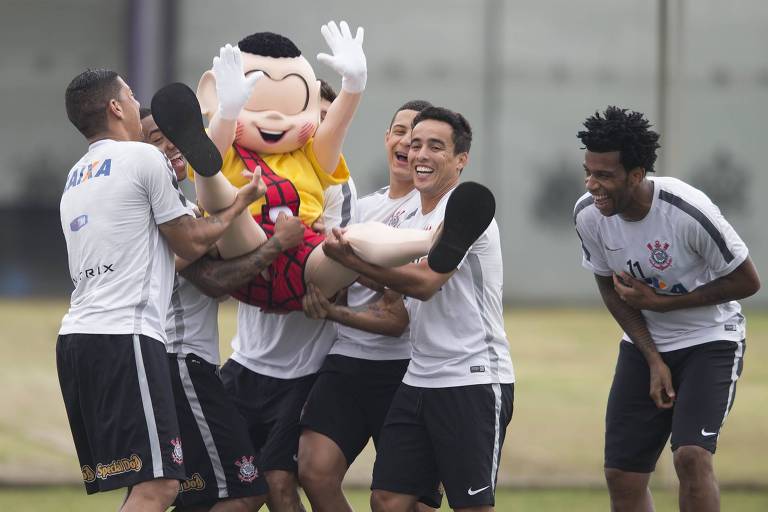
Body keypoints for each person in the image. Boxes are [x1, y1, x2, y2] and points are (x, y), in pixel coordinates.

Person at [57, 69, 264, 512]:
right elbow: (189, 241)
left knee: (152, 486)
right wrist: (240, 207)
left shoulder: (76, 176)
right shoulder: (142, 159)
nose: (135, 101)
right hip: (125, 337)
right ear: (115, 107)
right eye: (130, 95)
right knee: (159, 488)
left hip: (77, 339)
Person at [316, 106, 515, 512]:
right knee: (388, 499)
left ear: (461, 159)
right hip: (419, 377)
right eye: (416, 144)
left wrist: (353, 262)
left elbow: (425, 283)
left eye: (436, 147)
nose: (420, 154)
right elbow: (393, 294)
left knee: (472, 505)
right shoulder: (407, 216)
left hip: (471, 378)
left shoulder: (465, 208)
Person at [573, 106, 761, 512]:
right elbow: (607, 286)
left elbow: (747, 281)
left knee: (691, 457)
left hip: (711, 341)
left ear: (637, 175)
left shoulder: (687, 211)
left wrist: (663, 302)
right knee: (622, 475)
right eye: (588, 172)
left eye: (604, 175)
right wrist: (653, 357)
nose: (592, 185)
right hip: (645, 344)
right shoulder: (589, 215)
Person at [140, 107, 306, 511]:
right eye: (154, 139)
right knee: (245, 489)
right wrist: (275, 247)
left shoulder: (176, 203)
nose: (169, 144)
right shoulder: (165, 210)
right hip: (181, 363)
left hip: (175, 363)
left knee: (192, 495)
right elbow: (212, 283)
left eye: (174, 133)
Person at [297, 99, 443, 512]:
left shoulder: (429, 213)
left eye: (420, 139)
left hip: (407, 370)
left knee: (410, 503)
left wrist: (338, 302)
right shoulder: (360, 207)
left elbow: (396, 319)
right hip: (347, 362)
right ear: (387, 139)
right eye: (400, 132)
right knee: (314, 469)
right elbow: (335, 284)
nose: (408, 144)